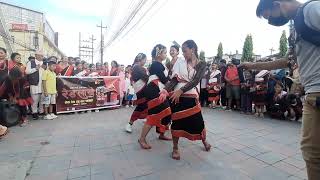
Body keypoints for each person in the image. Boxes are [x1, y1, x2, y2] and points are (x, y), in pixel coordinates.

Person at [245, 1, 320, 179]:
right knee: (311, 151)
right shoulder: (296, 27)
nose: (271, 21)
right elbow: (287, 61)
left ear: (277, 3)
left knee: (312, 153)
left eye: (269, 15)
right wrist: (253, 65)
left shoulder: (311, 10)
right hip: (311, 94)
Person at [161, 40, 211, 160]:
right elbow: (174, 80)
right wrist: (165, 90)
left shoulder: (201, 64)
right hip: (177, 96)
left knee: (198, 121)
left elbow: (196, 80)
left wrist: (180, 91)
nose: (183, 54)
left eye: (185, 51)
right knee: (177, 122)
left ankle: (204, 141)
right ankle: (175, 148)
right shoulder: (180, 62)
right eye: (182, 51)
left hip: (191, 95)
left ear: (192, 49)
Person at [138, 44, 172, 149]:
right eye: (165, 53)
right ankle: (142, 139)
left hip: (158, 90)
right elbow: (164, 79)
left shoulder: (159, 64)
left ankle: (161, 133)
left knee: (166, 112)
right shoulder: (156, 65)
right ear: (158, 54)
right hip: (154, 91)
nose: (166, 55)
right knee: (154, 115)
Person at [125, 53, 149, 133]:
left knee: (147, 105)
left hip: (141, 89)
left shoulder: (136, 66)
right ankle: (129, 124)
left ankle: (148, 120)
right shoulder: (137, 67)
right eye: (145, 60)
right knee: (141, 106)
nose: (145, 62)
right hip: (142, 90)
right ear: (141, 59)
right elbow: (145, 77)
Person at [26, 51, 44, 120]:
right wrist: (35, 69)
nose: (41, 57)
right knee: (35, 99)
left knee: (42, 99)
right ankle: (34, 112)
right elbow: (27, 72)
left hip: (43, 84)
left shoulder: (44, 63)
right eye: (39, 55)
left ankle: (41, 111)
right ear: (35, 55)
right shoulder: (31, 62)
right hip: (34, 84)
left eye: (42, 56)